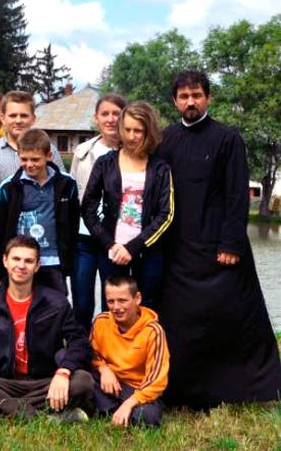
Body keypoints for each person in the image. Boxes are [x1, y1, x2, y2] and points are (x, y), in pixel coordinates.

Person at [155, 70, 281, 407]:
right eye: (184, 96)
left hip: (219, 246)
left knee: (230, 315)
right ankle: (180, 390)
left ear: (208, 98)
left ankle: (242, 389)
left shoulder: (228, 139)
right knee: (181, 319)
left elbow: (237, 194)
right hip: (178, 247)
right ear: (175, 101)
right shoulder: (166, 140)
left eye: (196, 95)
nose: (191, 102)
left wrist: (231, 243)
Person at [0, 236, 94, 420]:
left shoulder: (56, 303)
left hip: (44, 381)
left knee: (83, 381)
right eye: (16, 259)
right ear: (5, 261)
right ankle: (45, 417)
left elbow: (79, 342)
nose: (21, 265)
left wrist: (64, 372)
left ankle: (7, 411)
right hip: (4, 382)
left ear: (37, 266)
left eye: (28, 261)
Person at [81, 101, 173, 309]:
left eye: (138, 131)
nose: (132, 136)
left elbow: (166, 214)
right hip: (112, 252)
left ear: (148, 132)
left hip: (147, 252)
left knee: (146, 309)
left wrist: (133, 247)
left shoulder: (160, 168)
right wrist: (109, 244)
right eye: (127, 129)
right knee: (113, 310)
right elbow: (88, 208)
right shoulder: (105, 163)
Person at [0, 129, 79, 295]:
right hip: (21, 262)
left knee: (56, 305)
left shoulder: (67, 184)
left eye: (35, 159)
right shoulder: (8, 187)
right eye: (24, 159)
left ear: (49, 156)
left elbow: (73, 222)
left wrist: (68, 259)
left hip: (53, 261)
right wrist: (1, 269)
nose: (29, 164)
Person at [69, 93, 125, 331]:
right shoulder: (82, 151)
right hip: (84, 235)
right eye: (105, 114)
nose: (111, 119)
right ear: (96, 118)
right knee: (82, 300)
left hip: (115, 238)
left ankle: (109, 345)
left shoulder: (132, 151)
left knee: (112, 301)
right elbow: (73, 190)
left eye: (116, 114)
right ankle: (80, 346)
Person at [90, 275, 169, 428]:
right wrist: (103, 368)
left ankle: (109, 410)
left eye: (122, 301)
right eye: (110, 301)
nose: (116, 307)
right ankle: (113, 411)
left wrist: (130, 403)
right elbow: (91, 353)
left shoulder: (153, 331)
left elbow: (157, 379)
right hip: (108, 383)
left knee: (147, 416)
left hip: (136, 390)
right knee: (74, 368)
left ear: (137, 298)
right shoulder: (101, 321)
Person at [0, 90, 65, 185]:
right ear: (3, 118)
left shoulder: (48, 149)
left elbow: (62, 185)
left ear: (33, 119)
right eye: (13, 116)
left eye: (24, 116)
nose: (18, 121)